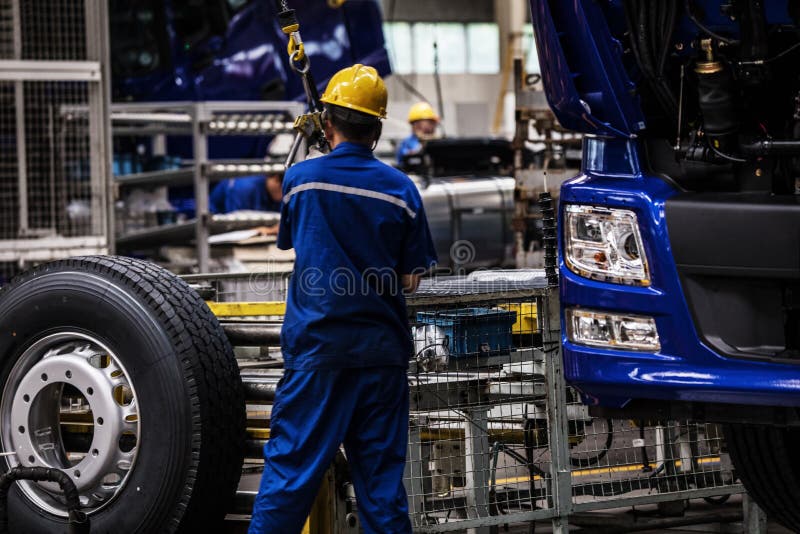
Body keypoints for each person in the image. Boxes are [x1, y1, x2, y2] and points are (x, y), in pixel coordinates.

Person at [248, 64, 437, 534]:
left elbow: (291, 241)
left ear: (326, 122)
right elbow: (410, 279)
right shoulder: (402, 190)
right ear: (377, 129)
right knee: (382, 489)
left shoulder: (301, 180)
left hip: (318, 353)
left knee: (290, 477)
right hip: (381, 356)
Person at [209, 173, 283, 234]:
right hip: (214, 233)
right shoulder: (243, 188)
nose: (285, 195)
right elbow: (234, 227)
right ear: (276, 179)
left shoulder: (275, 194)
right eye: (285, 189)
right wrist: (270, 230)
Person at [395, 101, 440, 165]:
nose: (434, 126)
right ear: (417, 124)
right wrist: (423, 145)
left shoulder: (438, 141)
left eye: (433, 122)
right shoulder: (407, 143)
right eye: (430, 122)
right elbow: (406, 156)